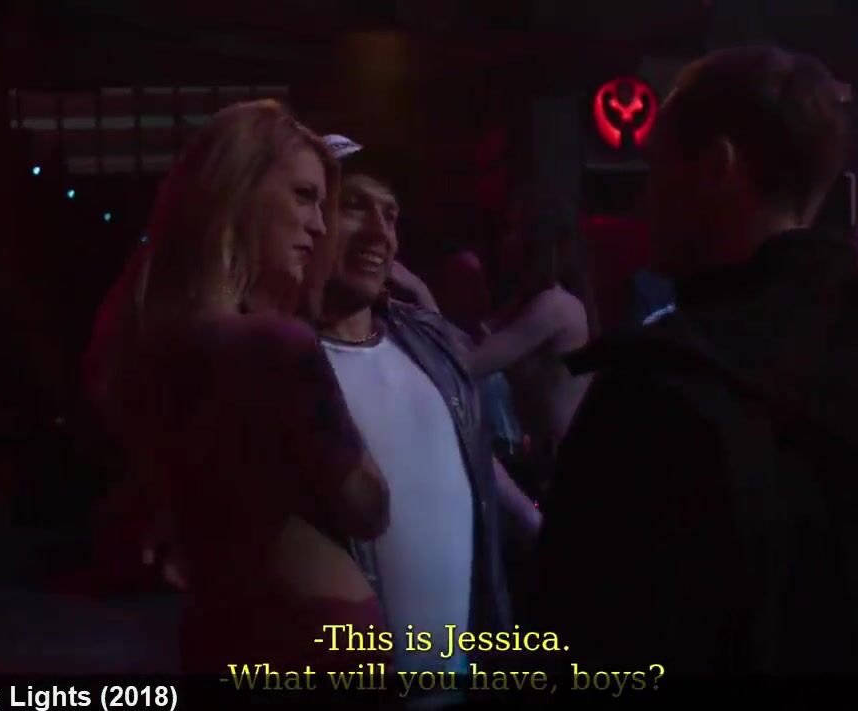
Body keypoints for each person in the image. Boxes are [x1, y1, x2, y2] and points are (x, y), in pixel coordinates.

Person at [540, 46, 858, 678]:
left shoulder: (652, 389)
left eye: (655, 170)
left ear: (717, 169)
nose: (642, 205)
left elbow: (582, 649)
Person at [84, 101, 390, 674]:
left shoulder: (140, 339)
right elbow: (368, 509)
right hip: (319, 640)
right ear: (240, 191)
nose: (320, 226)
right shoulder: (277, 347)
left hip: (217, 636)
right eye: (304, 197)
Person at [315, 151, 536, 686]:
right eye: (354, 207)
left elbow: (471, 451)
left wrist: (536, 522)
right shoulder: (279, 362)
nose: (379, 232)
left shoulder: (429, 340)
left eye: (390, 215)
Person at [463, 193, 597, 461]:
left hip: (564, 461)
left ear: (536, 240)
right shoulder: (525, 303)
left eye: (513, 229)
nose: (504, 240)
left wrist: (420, 293)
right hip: (544, 455)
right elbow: (472, 342)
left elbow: (469, 364)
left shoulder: (556, 305)